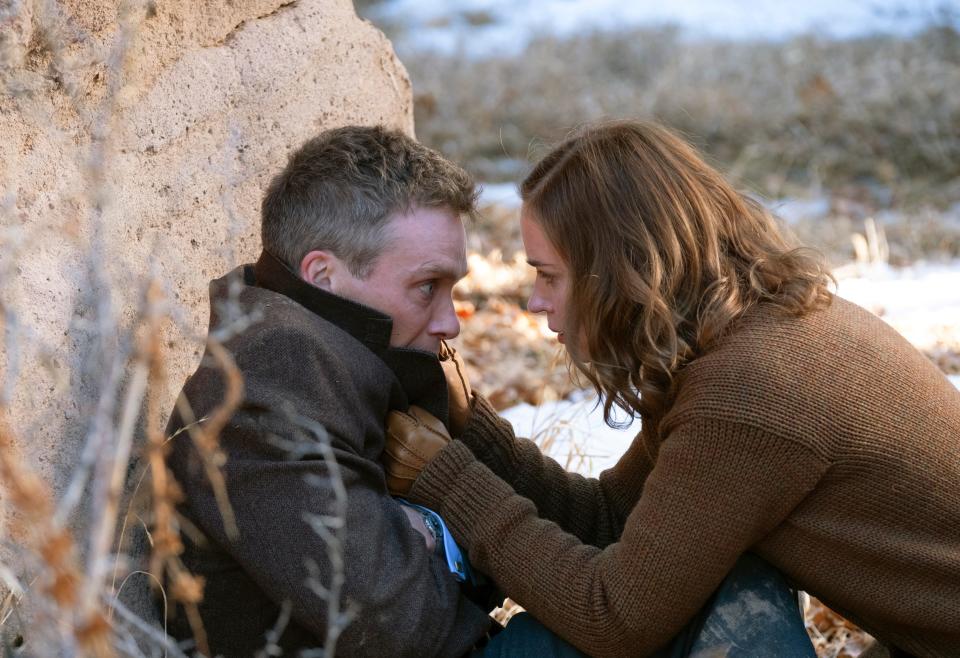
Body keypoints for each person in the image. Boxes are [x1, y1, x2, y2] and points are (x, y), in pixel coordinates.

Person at [382, 120, 960, 657]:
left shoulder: (752, 390)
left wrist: (450, 483)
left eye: (549, 274)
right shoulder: (742, 334)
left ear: (621, 270)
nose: (535, 300)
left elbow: (614, 615)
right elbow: (615, 519)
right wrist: (476, 433)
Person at [163, 125, 493, 656]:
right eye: (427, 287)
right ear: (322, 275)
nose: (451, 323)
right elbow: (401, 624)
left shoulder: (354, 356)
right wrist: (445, 535)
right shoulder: (271, 383)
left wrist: (423, 529)